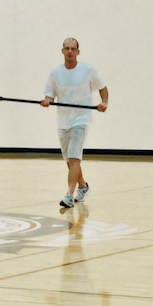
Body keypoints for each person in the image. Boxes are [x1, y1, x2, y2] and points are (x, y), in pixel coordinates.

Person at [41, 37, 108, 210]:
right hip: (63, 121)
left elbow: (102, 87)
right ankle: (83, 186)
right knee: (70, 161)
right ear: (62, 51)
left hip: (81, 119)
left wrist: (104, 102)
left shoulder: (88, 70)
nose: (70, 51)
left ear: (78, 52)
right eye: (67, 48)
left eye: (73, 48)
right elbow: (50, 94)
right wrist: (47, 100)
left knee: (73, 157)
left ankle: (69, 196)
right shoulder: (55, 73)